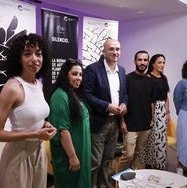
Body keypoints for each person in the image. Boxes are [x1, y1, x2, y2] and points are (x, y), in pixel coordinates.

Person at [0, 33, 57, 188]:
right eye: (27, 54)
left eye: (38, 54)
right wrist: (34, 134)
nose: (35, 59)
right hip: (18, 155)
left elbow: (31, 116)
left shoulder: (38, 84)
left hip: (39, 152)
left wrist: (44, 125)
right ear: (18, 58)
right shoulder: (13, 87)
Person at [83, 38, 128, 188]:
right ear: (104, 51)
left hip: (114, 122)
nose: (115, 52)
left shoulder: (121, 70)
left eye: (117, 49)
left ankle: (103, 185)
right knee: (94, 161)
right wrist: (107, 106)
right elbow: (86, 95)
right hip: (98, 122)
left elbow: (124, 93)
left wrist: (123, 104)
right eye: (111, 49)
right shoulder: (92, 69)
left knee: (107, 159)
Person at [48, 58, 91, 188]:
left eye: (80, 74)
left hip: (81, 149)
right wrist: (72, 156)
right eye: (74, 74)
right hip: (69, 154)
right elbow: (63, 130)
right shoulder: (60, 96)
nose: (78, 78)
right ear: (65, 74)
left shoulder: (72, 93)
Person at [120, 50, 154, 171]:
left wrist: (152, 118)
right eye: (140, 60)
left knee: (137, 154)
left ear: (148, 62)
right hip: (130, 124)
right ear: (135, 61)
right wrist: (122, 121)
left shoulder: (150, 80)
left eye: (145, 60)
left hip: (145, 125)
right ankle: (120, 180)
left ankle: (132, 176)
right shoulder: (127, 79)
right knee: (127, 155)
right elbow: (121, 101)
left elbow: (151, 101)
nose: (142, 62)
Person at [140, 54, 170, 170]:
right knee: (150, 139)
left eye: (163, 62)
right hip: (151, 109)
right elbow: (146, 98)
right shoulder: (147, 77)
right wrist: (151, 116)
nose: (162, 65)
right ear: (152, 64)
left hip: (162, 111)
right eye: (159, 62)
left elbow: (166, 97)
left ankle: (160, 164)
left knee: (161, 139)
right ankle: (149, 164)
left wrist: (167, 113)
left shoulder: (164, 78)